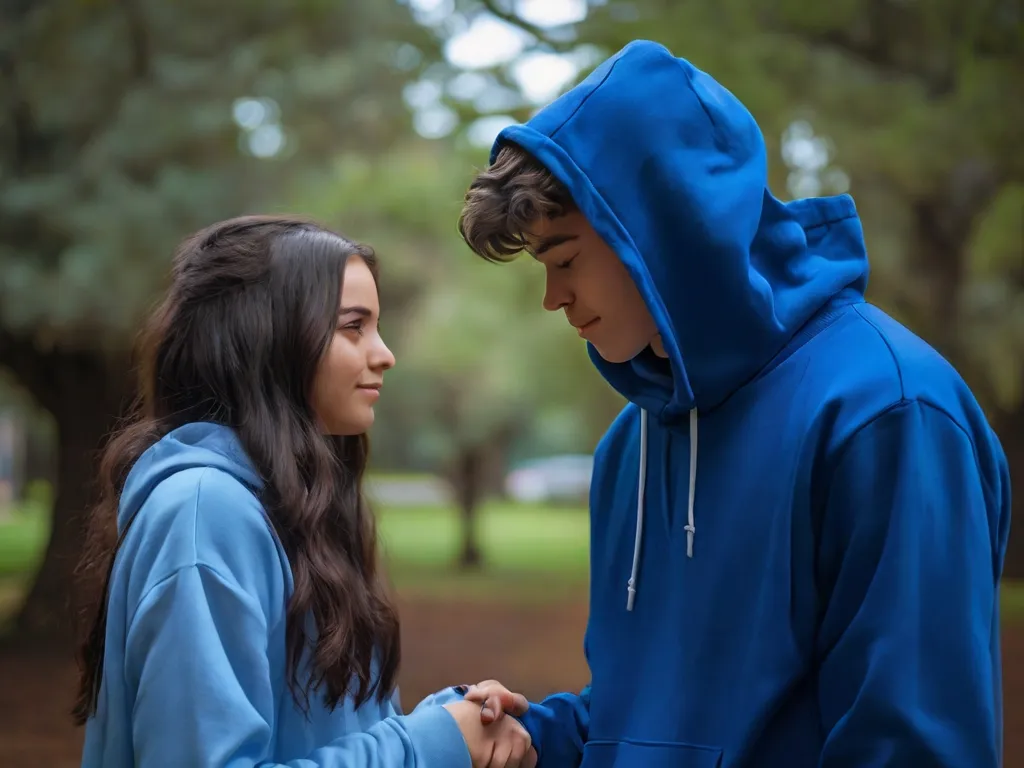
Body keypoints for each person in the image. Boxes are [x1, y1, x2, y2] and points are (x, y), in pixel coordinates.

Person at [457, 40, 1011, 767]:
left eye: (564, 260)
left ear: (661, 230)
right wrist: (538, 742)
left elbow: (912, 745)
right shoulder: (631, 445)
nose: (553, 298)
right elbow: (643, 717)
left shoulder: (889, 411)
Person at [72, 215, 537, 768]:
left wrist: (449, 723)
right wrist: (428, 747)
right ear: (271, 338)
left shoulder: (292, 506)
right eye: (353, 327)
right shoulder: (204, 514)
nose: (384, 353)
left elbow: (322, 735)